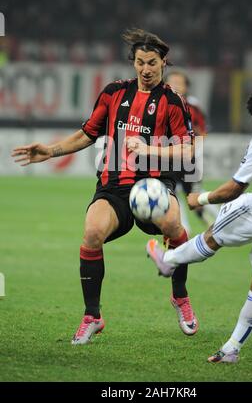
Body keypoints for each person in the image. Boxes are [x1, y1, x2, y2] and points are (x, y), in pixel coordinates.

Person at [12, 28, 199, 345]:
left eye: (152, 62)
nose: (145, 69)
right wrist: (50, 150)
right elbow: (87, 134)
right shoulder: (114, 93)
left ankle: (180, 296)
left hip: (154, 184)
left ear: (164, 62)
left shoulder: (173, 102)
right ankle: (92, 315)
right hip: (113, 188)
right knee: (92, 232)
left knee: (173, 223)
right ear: (133, 62)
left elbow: (188, 150)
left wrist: (150, 150)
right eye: (140, 62)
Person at [146, 84, 252, 363]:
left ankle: (169, 260)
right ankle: (232, 349)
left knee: (213, 235)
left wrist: (200, 198)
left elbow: (234, 188)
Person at [165, 70, 219, 230]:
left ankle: (220, 221)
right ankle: (183, 231)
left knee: (195, 199)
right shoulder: (159, 105)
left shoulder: (193, 108)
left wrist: (191, 151)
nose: (174, 85)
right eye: (170, 82)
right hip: (166, 160)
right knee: (172, 195)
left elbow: (202, 133)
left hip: (188, 161)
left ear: (186, 87)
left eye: (178, 83)